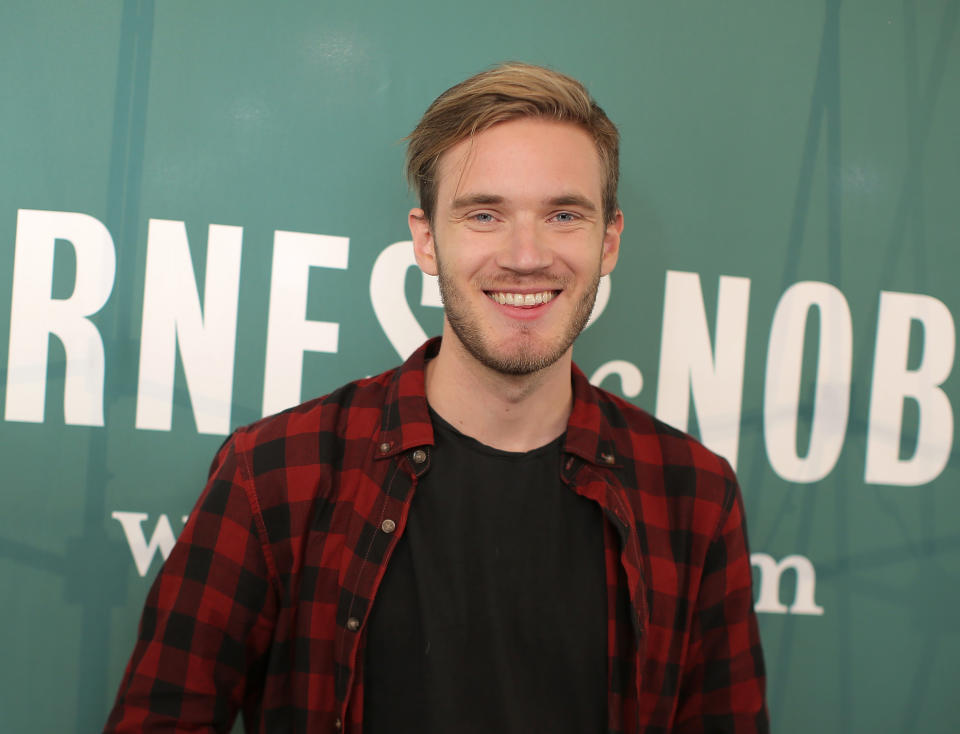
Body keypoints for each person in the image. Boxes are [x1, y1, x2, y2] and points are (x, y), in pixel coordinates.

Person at [105, 62, 768, 733]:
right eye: (484, 214)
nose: (526, 255)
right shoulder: (275, 473)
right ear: (426, 240)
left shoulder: (693, 496)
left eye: (563, 214)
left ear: (609, 241)